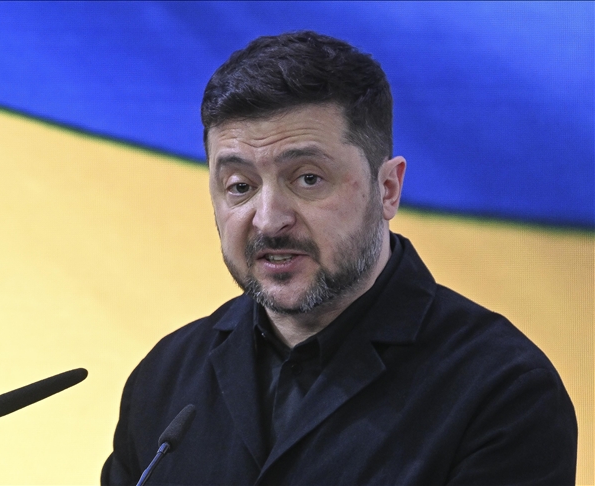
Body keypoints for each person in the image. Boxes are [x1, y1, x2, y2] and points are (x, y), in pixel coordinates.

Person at [101, 31, 577, 485]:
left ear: (387, 189)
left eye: (308, 179)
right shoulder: (165, 377)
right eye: (240, 186)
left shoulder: (502, 390)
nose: (269, 220)